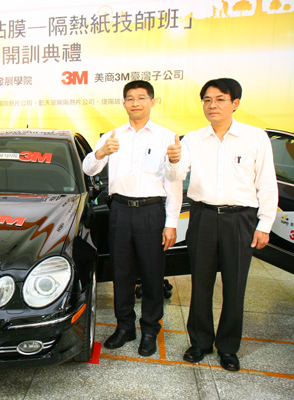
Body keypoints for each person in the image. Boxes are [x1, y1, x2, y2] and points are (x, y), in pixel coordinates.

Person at [165, 78, 278, 371]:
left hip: (240, 219)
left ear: (235, 103)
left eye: (219, 99)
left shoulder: (255, 137)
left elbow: (267, 182)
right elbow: (177, 175)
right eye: (207, 100)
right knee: (200, 283)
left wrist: (265, 224)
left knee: (235, 284)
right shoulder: (192, 139)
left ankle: (228, 347)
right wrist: (173, 160)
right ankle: (200, 342)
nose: (212, 105)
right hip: (202, 217)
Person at [83, 80, 182, 357]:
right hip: (120, 211)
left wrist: (171, 223)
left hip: (151, 211)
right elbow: (88, 168)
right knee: (122, 273)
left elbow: (174, 182)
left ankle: (150, 329)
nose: (135, 103)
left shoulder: (166, 137)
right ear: (124, 103)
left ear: (152, 101)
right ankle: (125, 326)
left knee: (152, 274)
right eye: (130, 98)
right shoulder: (113, 136)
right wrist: (101, 152)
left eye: (141, 97)